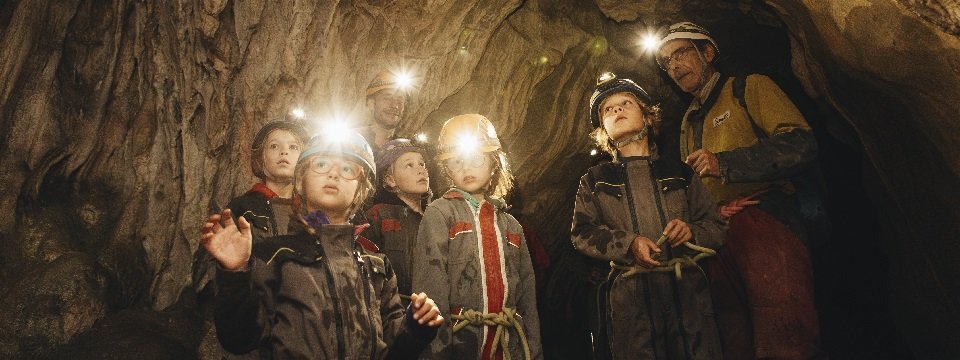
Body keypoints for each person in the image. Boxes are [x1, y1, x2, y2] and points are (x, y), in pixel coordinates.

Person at [656, 21, 826, 359]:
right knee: (735, 344)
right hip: (716, 238)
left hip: (765, 221)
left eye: (680, 54)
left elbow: (800, 143)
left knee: (785, 337)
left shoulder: (748, 88)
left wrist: (725, 164)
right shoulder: (688, 122)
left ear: (707, 52)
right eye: (666, 63)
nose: (674, 67)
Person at [200, 131, 443, 359]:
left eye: (348, 168)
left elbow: (393, 349)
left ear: (360, 190)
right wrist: (234, 275)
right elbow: (239, 339)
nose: (334, 174)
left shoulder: (377, 265)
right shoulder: (276, 256)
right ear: (300, 181)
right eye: (321, 164)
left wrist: (416, 326)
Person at [571, 72, 726, 359]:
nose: (617, 109)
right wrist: (628, 244)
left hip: (688, 298)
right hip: (632, 302)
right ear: (603, 130)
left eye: (626, 103)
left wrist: (692, 232)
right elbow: (582, 233)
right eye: (608, 109)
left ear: (648, 117)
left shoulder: (681, 172)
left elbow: (715, 225)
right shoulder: (594, 180)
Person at [412, 114, 542, 359]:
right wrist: (438, 351)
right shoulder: (440, 213)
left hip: (508, 345)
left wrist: (533, 351)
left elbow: (527, 295)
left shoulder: (511, 225)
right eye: (457, 161)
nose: (466, 167)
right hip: (461, 344)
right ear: (447, 168)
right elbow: (431, 286)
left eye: (476, 159)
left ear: (494, 164)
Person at [362, 138, 433, 300]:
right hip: (393, 309)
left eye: (422, 164)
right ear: (390, 179)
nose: (421, 170)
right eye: (409, 165)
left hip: (433, 311)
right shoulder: (378, 216)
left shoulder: (437, 217)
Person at [362, 70, 410, 149]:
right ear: (371, 104)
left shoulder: (405, 149)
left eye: (399, 100)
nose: (395, 106)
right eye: (387, 99)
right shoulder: (351, 143)